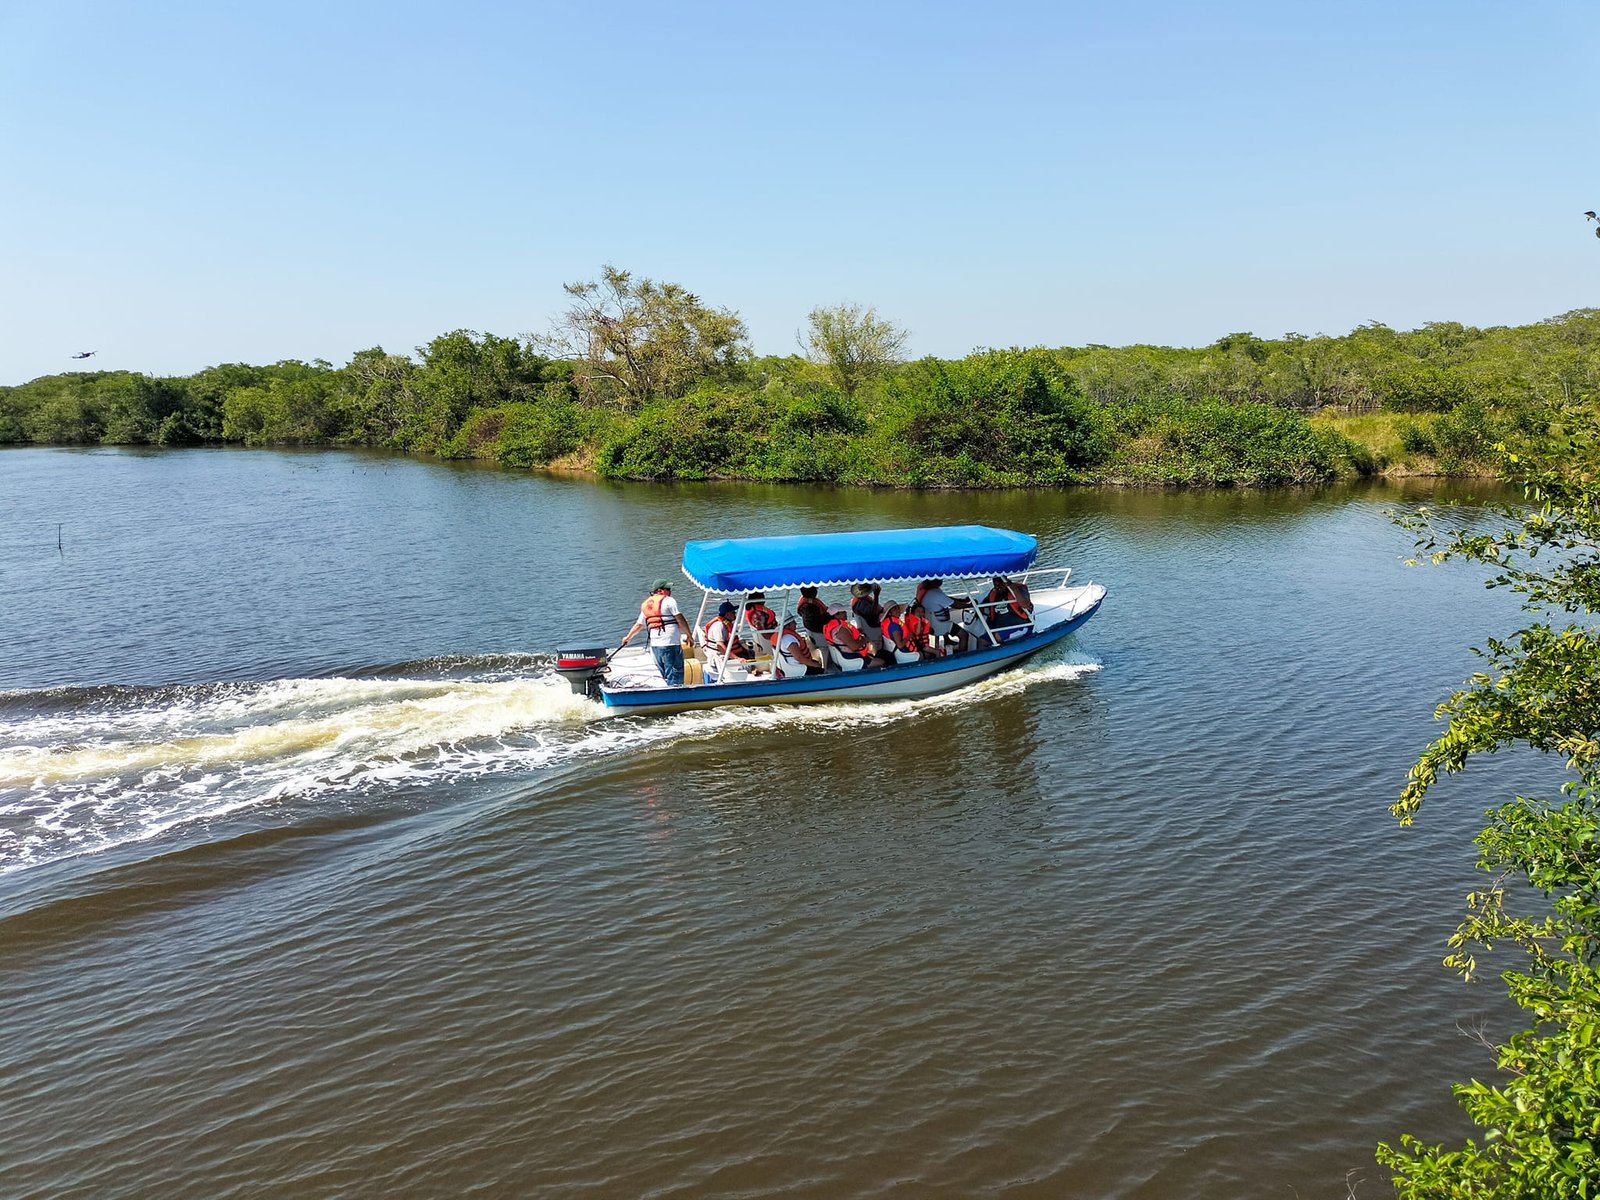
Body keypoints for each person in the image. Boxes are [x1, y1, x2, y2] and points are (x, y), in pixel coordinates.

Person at [618, 577, 692, 686]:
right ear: (660, 590)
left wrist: (628, 638)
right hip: (670, 644)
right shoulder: (669, 600)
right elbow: (680, 619)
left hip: (655, 646)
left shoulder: (647, 604)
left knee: (663, 674)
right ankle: (674, 695)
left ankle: (664, 694)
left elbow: (639, 625)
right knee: (674, 673)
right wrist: (689, 635)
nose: (670, 591)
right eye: (668, 589)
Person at [916, 578, 981, 652]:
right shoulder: (935, 593)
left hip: (929, 623)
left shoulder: (924, 589)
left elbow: (946, 598)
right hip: (939, 625)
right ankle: (961, 656)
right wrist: (970, 605)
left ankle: (947, 640)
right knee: (964, 635)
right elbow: (955, 605)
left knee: (944, 616)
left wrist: (962, 600)